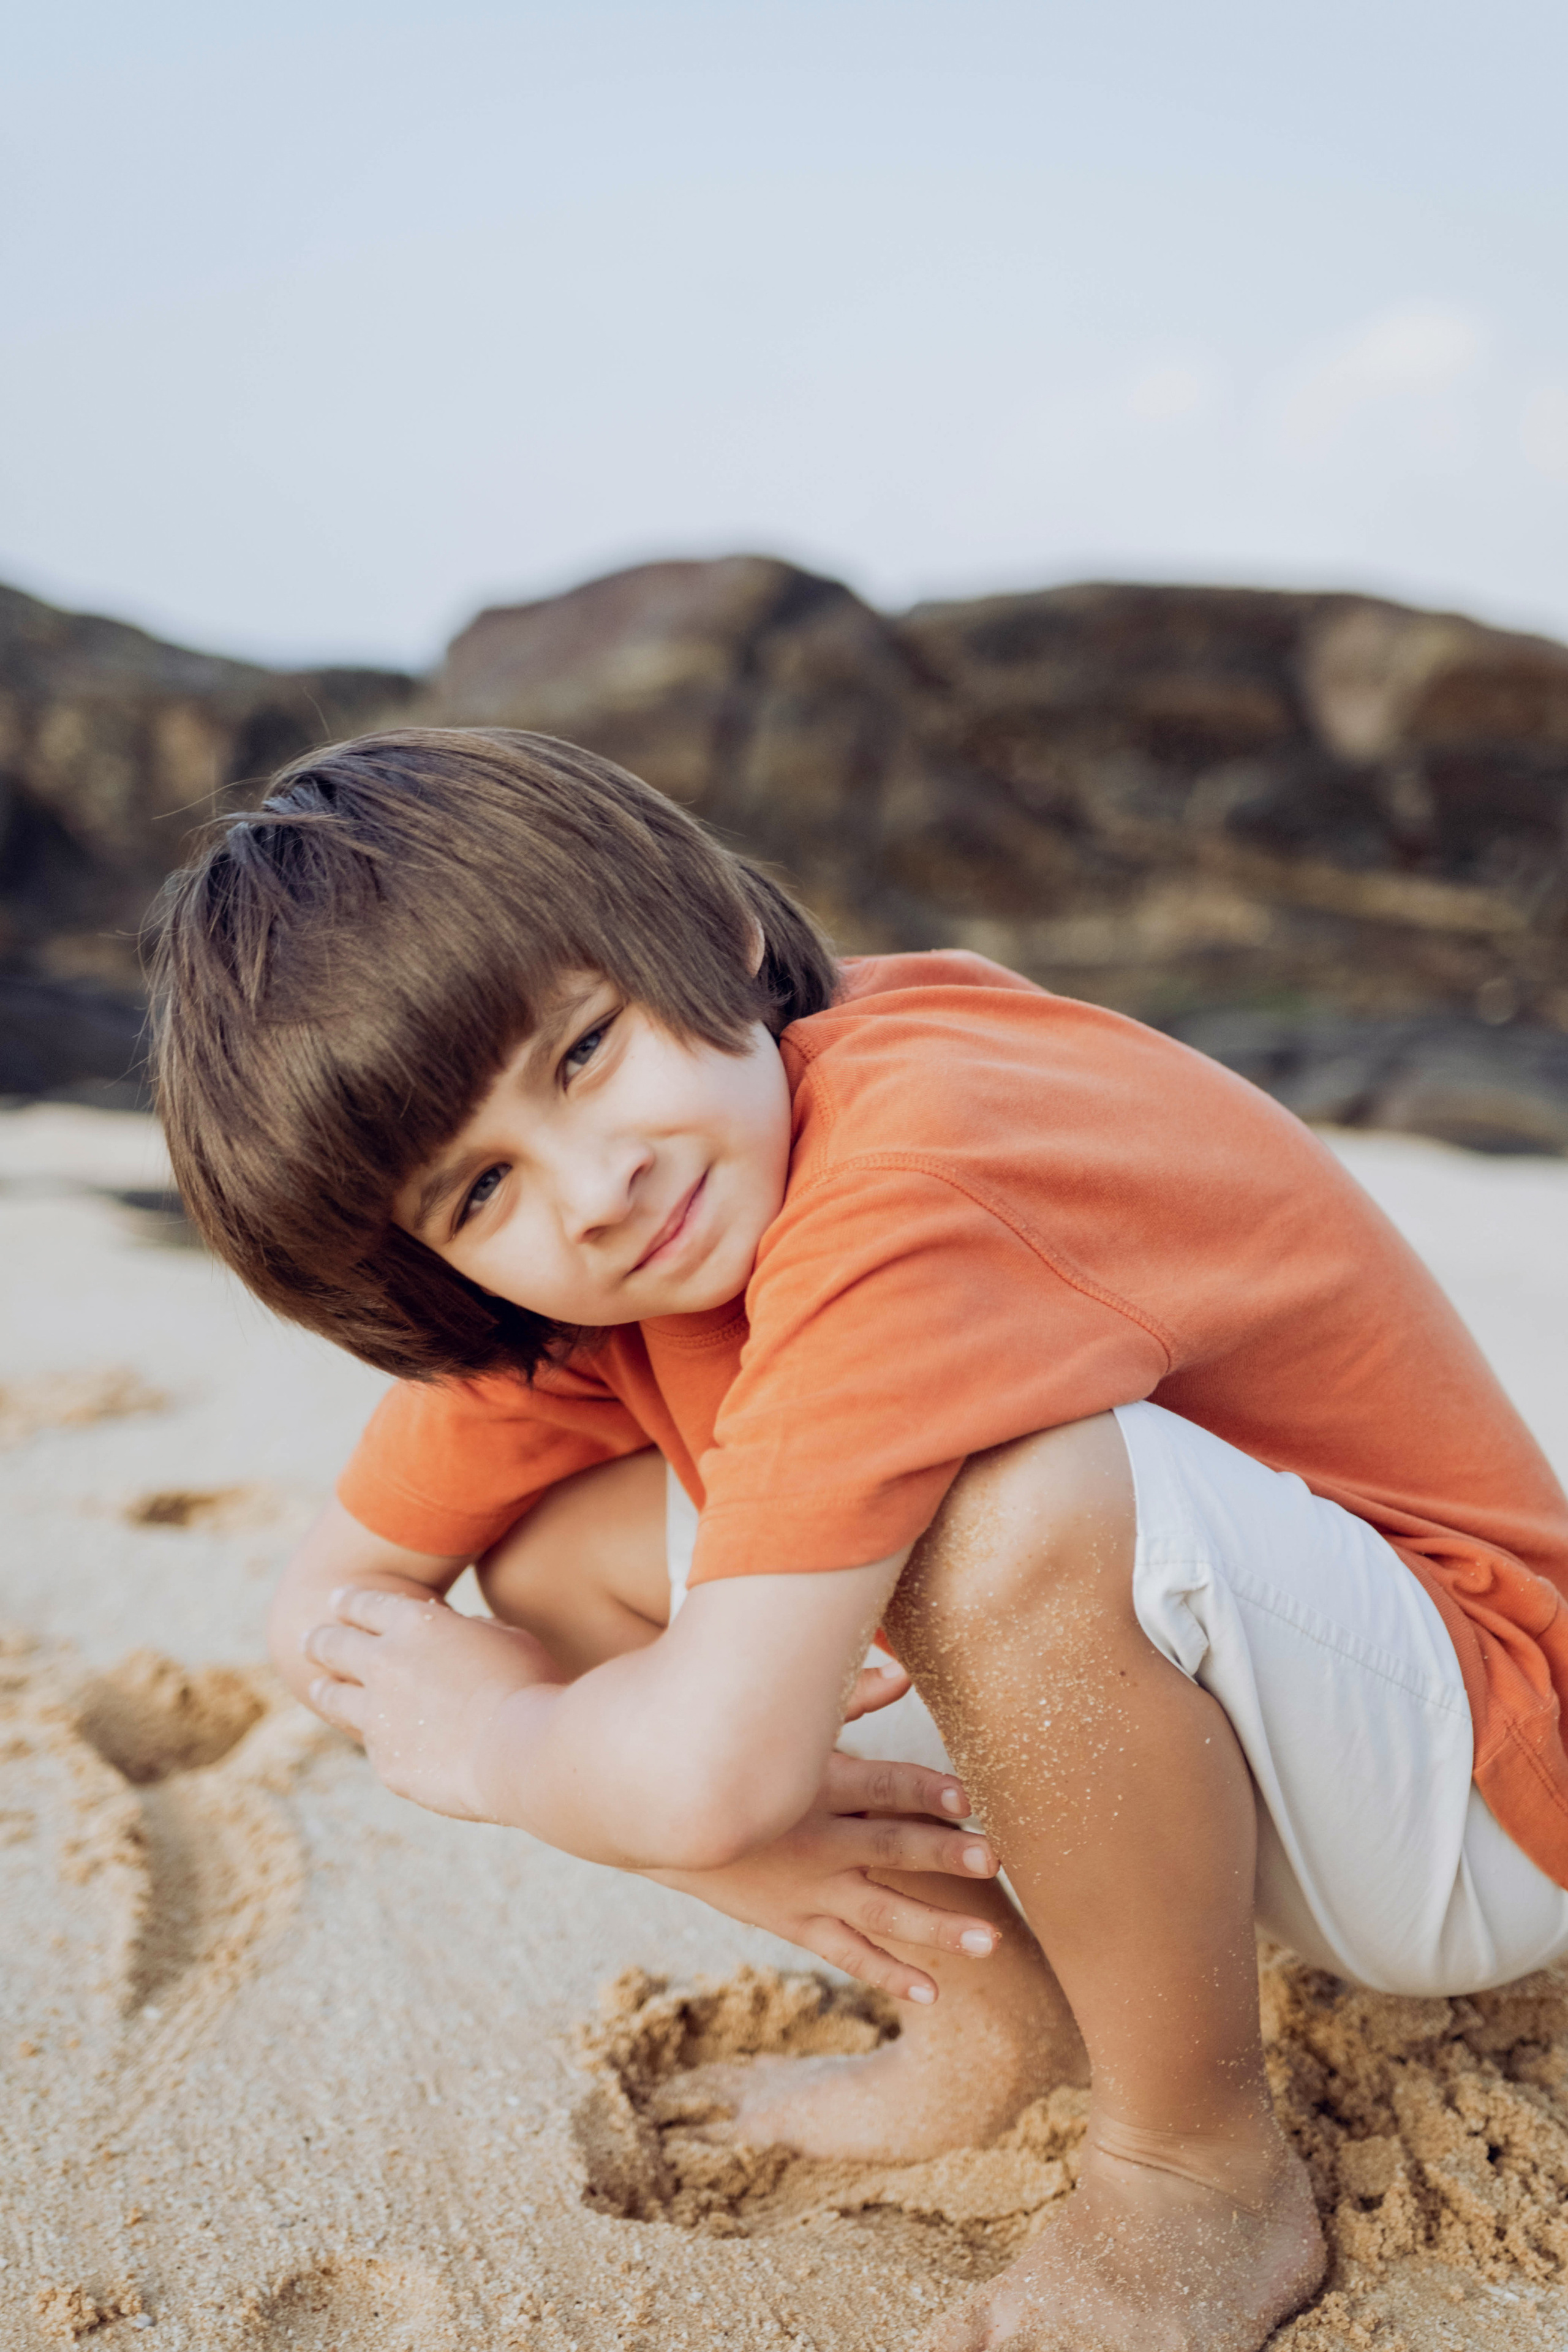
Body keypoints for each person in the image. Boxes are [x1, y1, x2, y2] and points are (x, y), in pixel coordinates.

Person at [151, 727, 1568, 2352]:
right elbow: (332, 1608)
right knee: (548, 1559)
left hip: (1479, 1784)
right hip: (1237, 1760)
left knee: (1001, 1507)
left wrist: (506, 1738)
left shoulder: (909, 1167)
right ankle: (991, 2011)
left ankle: (1196, 2167)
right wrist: (575, 1727)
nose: (593, 1187)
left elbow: (694, 1775)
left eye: (586, 1049)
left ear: (719, 931)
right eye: (478, 1192)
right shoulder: (629, 1245)